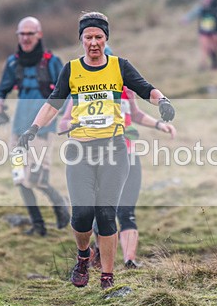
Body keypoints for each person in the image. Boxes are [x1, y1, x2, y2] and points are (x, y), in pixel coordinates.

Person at [18, 11, 175, 289]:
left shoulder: (119, 66)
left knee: (105, 214)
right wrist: (32, 128)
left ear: (106, 39)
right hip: (80, 151)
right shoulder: (71, 70)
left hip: (115, 149)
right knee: (81, 216)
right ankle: (82, 256)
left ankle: (107, 275)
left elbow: (145, 88)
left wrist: (162, 101)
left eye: (98, 37)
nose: (93, 42)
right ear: (81, 40)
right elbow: (53, 104)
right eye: (88, 37)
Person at [59, 84, 177, 269]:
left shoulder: (127, 90)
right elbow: (63, 122)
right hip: (99, 158)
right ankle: (98, 255)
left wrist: (158, 124)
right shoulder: (84, 91)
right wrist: (77, 124)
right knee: (102, 212)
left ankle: (130, 261)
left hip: (127, 155)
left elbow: (135, 114)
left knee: (126, 211)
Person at [0, 16, 70, 236]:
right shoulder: (13, 62)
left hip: (42, 130)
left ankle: (60, 205)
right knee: (20, 178)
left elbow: (67, 91)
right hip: (18, 129)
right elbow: (1, 90)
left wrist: (66, 116)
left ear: (39, 35)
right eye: (22, 34)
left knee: (37, 178)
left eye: (30, 33)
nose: (25, 38)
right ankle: (38, 226)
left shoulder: (52, 62)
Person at [181, 0, 217, 71]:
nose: (207, 1)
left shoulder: (215, 7)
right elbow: (192, 14)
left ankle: (214, 62)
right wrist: (185, 19)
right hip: (203, 32)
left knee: (212, 48)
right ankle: (203, 65)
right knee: (204, 47)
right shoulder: (200, 8)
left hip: (212, 32)